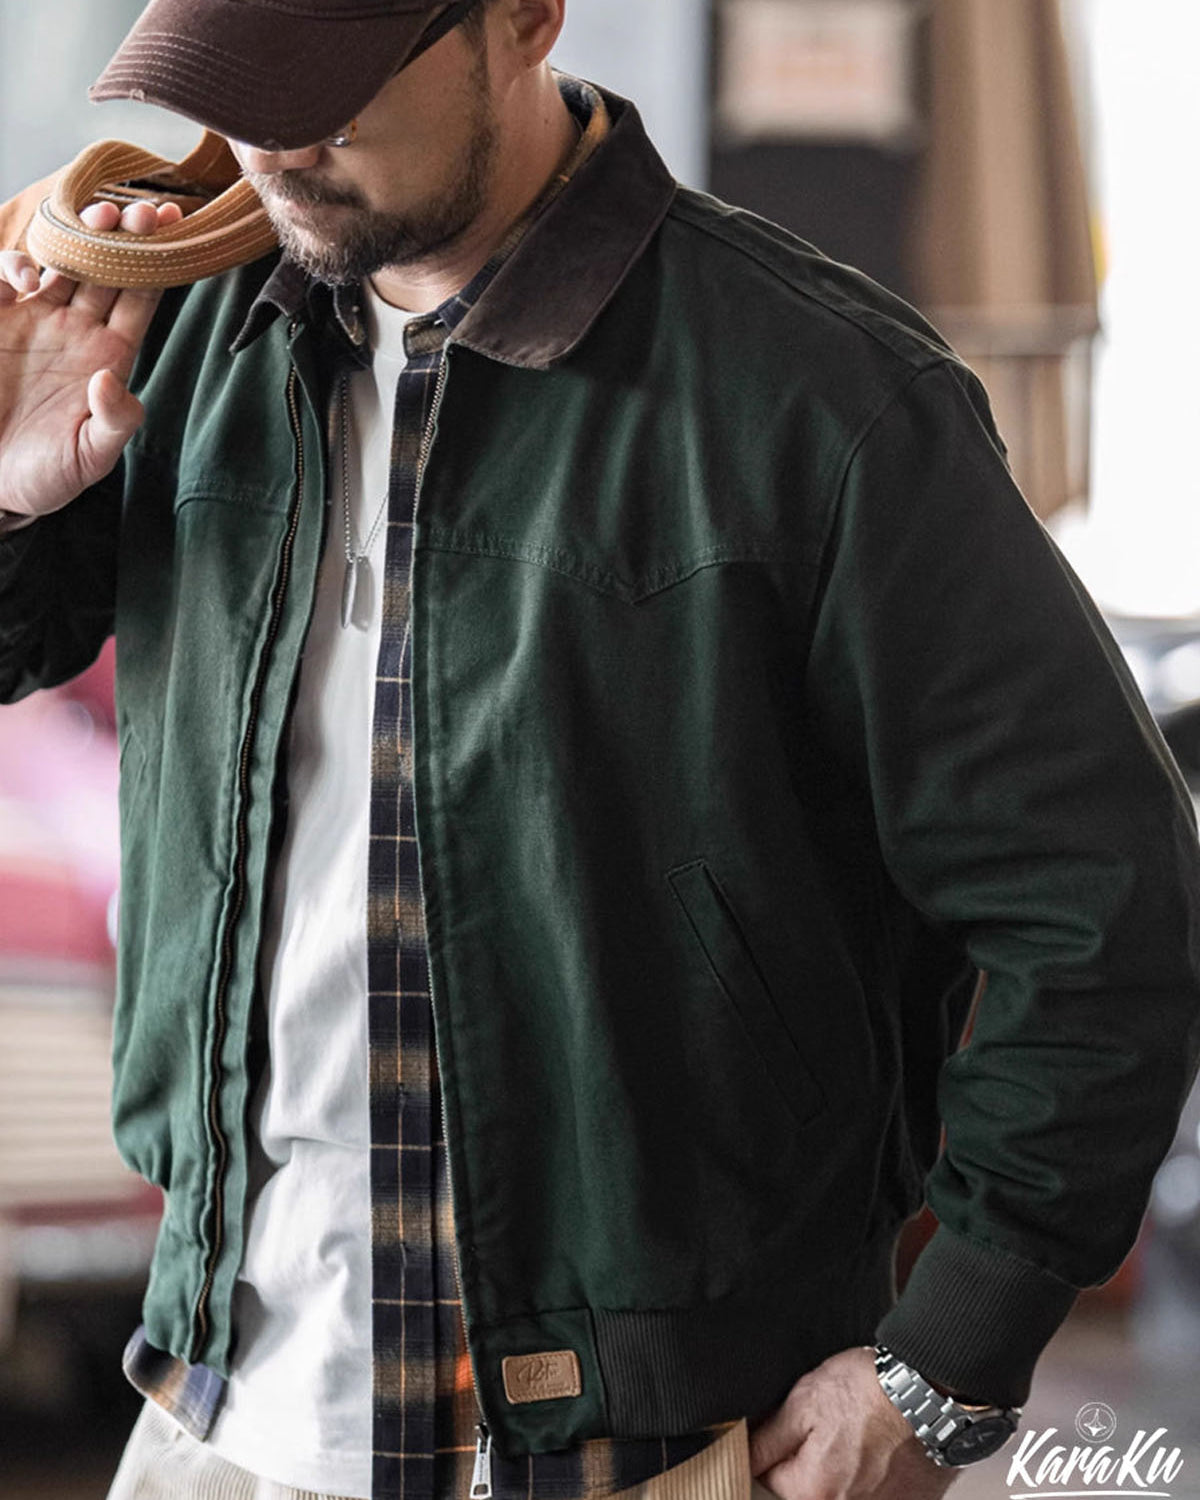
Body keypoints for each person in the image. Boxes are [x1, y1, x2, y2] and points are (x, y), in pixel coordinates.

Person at [1, 2, 1198, 1498]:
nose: (275, 149)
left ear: (523, 17)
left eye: (331, 94)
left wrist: (947, 1360)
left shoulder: (822, 392)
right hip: (211, 1411)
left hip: (655, 1444)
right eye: (233, 96)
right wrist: (11, 484)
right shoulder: (187, 335)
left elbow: (1105, 901)